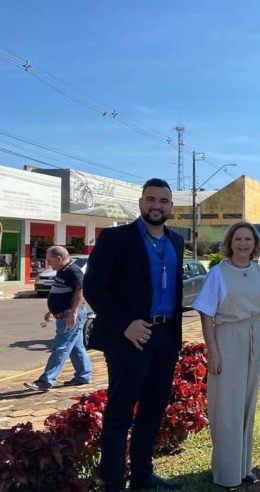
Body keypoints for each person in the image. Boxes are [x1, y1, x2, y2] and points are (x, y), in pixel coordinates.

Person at [83, 178, 184, 492]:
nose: (157, 206)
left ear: (171, 206)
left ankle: (142, 475)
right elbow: (93, 289)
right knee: (120, 411)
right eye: (151, 199)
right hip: (129, 338)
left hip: (165, 336)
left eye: (163, 201)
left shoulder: (177, 241)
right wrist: (126, 324)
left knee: (154, 409)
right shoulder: (116, 238)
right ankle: (113, 482)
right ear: (141, 202)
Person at [192, 222, 260, 489]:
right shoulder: (219, 273)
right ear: (230, 242)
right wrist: (213, 353)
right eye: (238, 239)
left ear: (255, 243)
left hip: (255, 336)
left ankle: (244, 467)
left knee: (248, 403)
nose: (243, 243)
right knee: (227, 406)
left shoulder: (259, 272)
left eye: (248, 239)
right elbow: (206, 314)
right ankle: (226, 472)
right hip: (228, 338)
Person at [24, 246, 92, 391]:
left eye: (50, 260)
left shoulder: (73, 272)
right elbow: (61, 293)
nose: (48, 263)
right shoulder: (62, 271)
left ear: (59, 259)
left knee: (61, 347)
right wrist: (51, 310)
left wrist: (73, 313)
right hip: (63, 314)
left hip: (71, 315)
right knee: (76, 347)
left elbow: (80, 294)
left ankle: (46, 381)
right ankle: (83, 375)